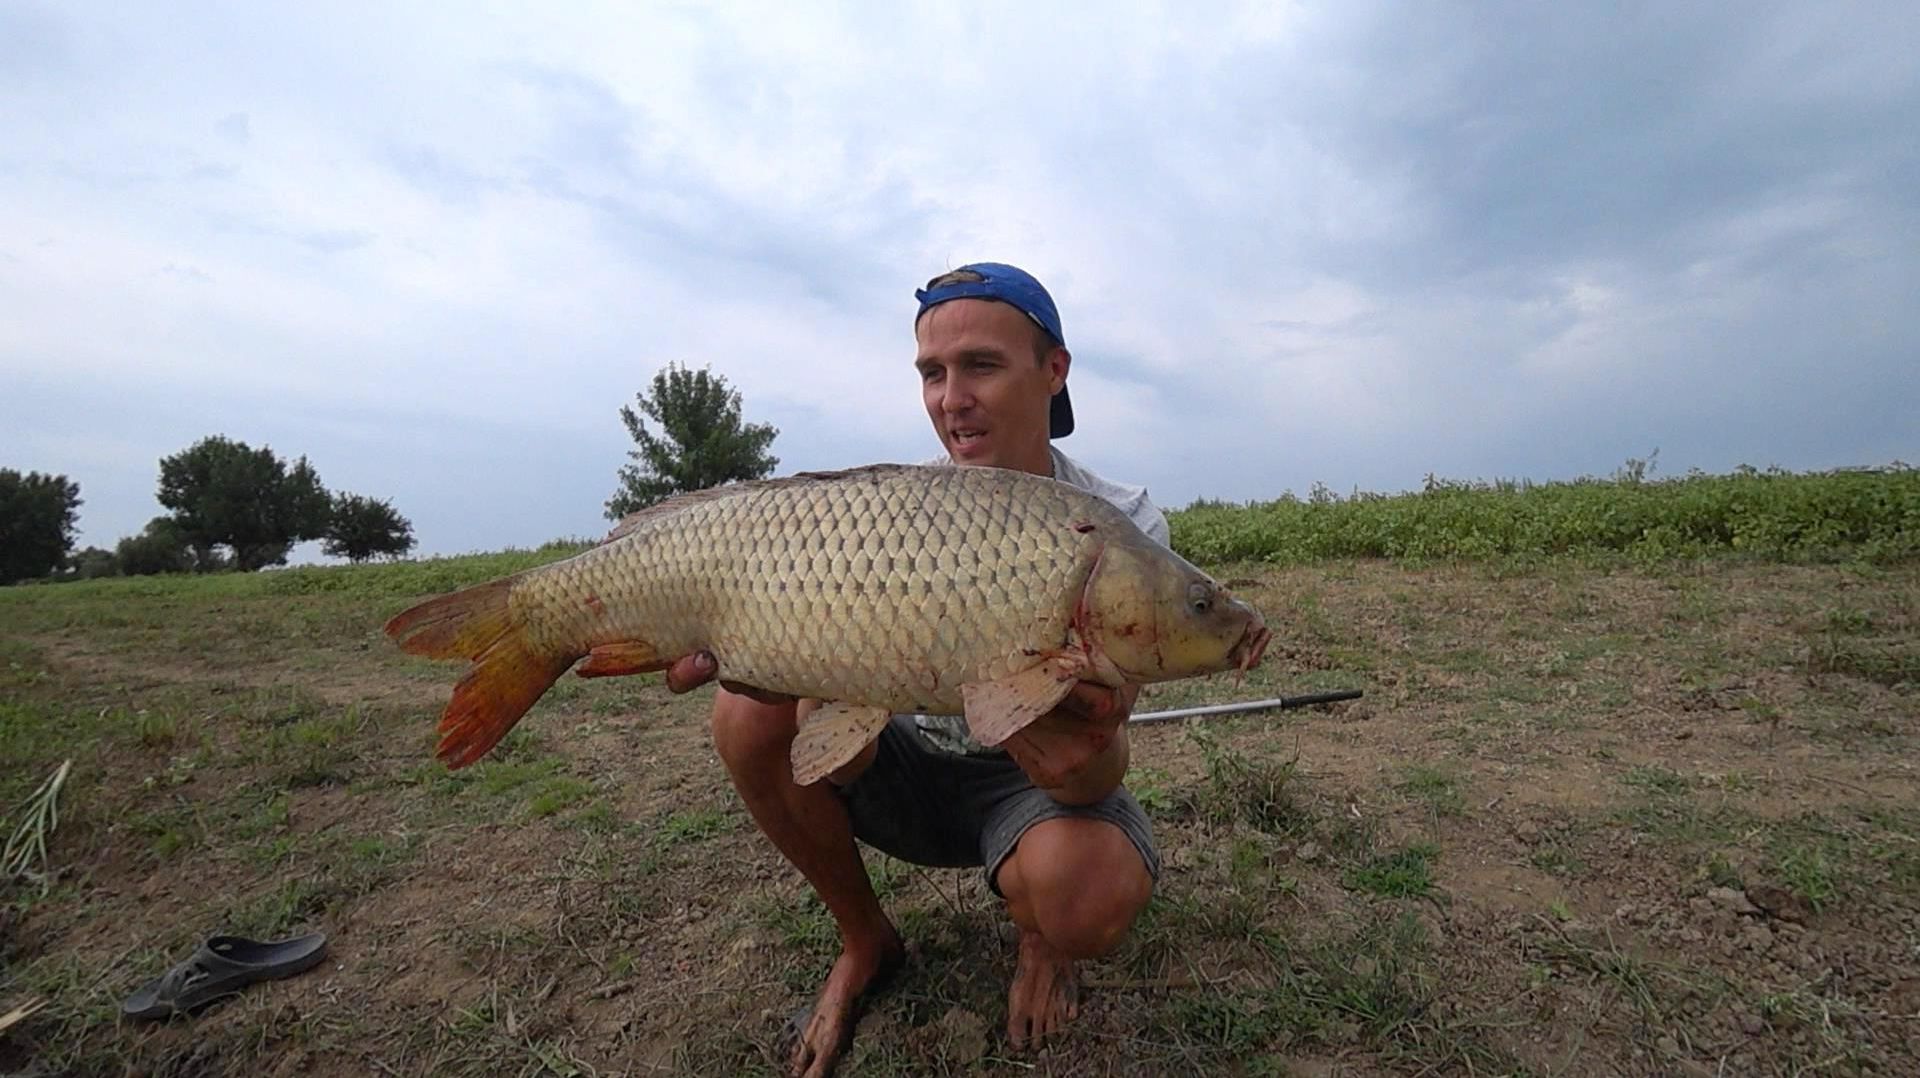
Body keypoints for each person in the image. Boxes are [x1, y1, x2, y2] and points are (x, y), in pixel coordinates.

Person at [659, 263, 1169, 1078]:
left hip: (1036, 789)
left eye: (981, 366)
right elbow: (838, 735)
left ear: (1055, 369)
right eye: (932, 373)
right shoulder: (895, 514)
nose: (950, 398)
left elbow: (1095, 753)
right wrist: (797, 675)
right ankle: (866, 942)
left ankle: (1041, 936)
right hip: (905, 761)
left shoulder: (1121, 523)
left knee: (1087, 882)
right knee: (745, 710)